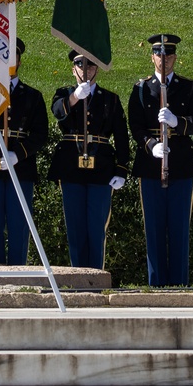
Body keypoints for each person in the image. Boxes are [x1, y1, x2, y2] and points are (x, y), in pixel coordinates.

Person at [128, 32, 193, 287]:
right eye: (159, 54)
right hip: (151, 166)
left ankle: (180, 285)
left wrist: (177, 122)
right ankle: (156, 284)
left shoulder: (188, 87)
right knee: (154, 229)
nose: (165, 59)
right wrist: (151, 146)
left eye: (169, 54)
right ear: (152, 57)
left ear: (175, 58)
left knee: (179, 230)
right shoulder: (141, 89)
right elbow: (136, 125)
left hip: (181, 165)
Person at [49, 50, 129, 269]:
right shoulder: (63, 93)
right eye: (80, 65)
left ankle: (96, 274)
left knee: (96, 226)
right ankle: (77, 276)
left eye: (91, 65)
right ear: (72, 68)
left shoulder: (110, 99)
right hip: (71, 168)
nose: (85, 70)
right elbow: (57, 111)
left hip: (101, 168)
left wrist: (122, 169)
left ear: (97, 69)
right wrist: (75, 97)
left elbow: (121, 136)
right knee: (75, 226)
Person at [0, 38, 49, 264]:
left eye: (13, 57)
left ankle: (19, 272)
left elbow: (40, 135)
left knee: (19, 223)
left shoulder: (33, 96)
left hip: (21, 168)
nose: (8, 61)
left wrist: (17, 154)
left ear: (19, 61)